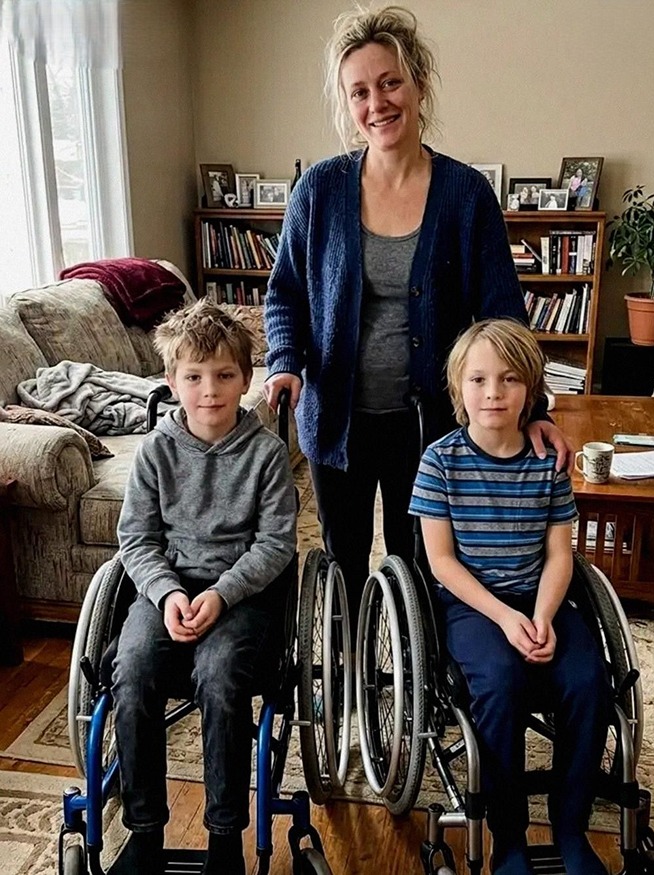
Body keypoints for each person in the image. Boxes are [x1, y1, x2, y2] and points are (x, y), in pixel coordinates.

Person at [263, 4, 571, 637]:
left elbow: (504, 318)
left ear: (419, 85)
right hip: (338, 419)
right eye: (359, 91)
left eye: (390, 83)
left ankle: (416, 678)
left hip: (430, 425)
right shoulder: (318, 189)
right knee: (344, 560)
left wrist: (534, 409)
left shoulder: (465, 194)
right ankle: (350, 671)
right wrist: (284, 362)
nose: (377, 103)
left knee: (422, 568)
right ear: (348, 104)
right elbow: (285, 292)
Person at [410, 318, 611, 875]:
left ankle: (570, 827)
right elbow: (441, 562)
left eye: (509, 379)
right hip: (473, 604)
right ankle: (510, 834)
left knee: (589, 680)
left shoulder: (548, 463)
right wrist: (503, 617)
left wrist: (542, 615)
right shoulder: (440, 462)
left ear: (530, 389)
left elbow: (560, 555)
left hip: (540, 594)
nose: (493, 392)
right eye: (478, 379)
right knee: (500, 682)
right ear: (459, 388)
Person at [113, 299, 297, 875]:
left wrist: (221, 595)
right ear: (172, 382)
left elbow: (276, 545)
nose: (209, 390)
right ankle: (144, 831)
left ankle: (224, 836)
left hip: (242, 592)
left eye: (223, 375)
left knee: (220, 677)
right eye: (193, 377)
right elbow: (136, 540)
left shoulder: (266, 454)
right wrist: (168, 594)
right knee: (132, 670)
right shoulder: (155, 451)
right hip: (168, 587)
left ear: (246, 380)